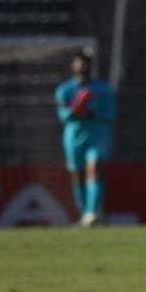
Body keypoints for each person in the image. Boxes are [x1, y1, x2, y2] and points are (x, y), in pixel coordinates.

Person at [54, 52, 116, 228]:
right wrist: (74, 111)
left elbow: (110, 113)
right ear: (73, 66)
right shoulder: (65, 90)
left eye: (85, 64)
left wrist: (92, 114)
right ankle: (84, 215)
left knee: (94, 169)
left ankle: (91, 212)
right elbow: (62, 114)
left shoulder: (103, 89)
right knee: (78, 175)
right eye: (79, 64)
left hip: (97, 135)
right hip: (74, 136)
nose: (82, 67)